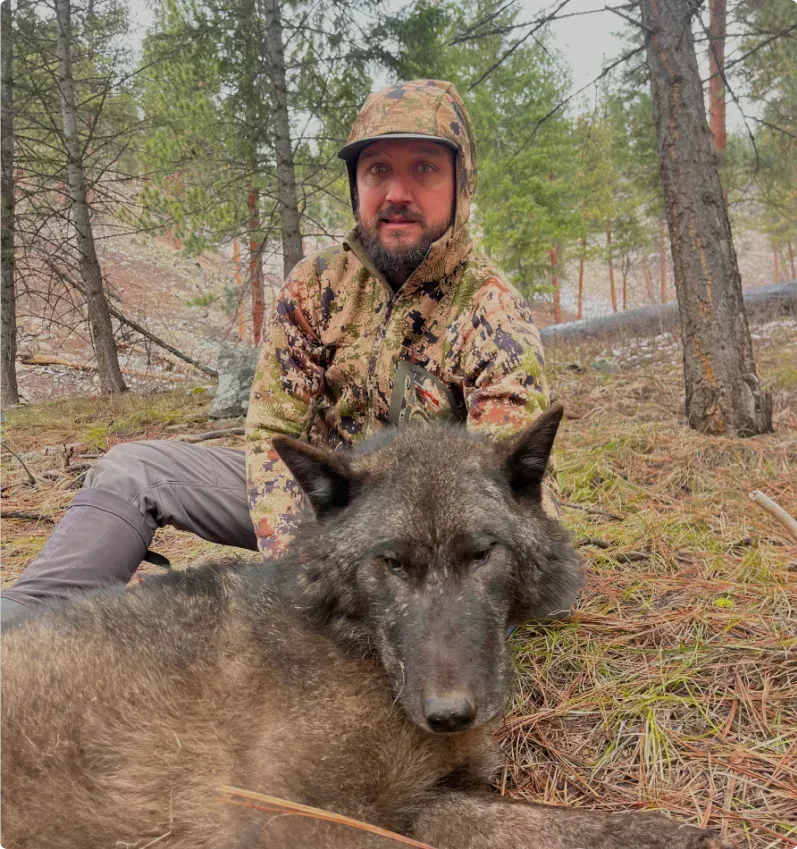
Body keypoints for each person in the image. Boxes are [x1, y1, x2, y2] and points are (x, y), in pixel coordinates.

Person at [0, 79, 551, 630]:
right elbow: (271, 433)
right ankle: (20, 623)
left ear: (462, 182)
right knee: (133, 471)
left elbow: (498, 491)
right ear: (356, 184)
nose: (396, 192)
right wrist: (297, 563)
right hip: (316, 501)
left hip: (427, 530)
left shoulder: (488, 309)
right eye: (378, 170)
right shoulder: (315, 286)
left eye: (424, 169)